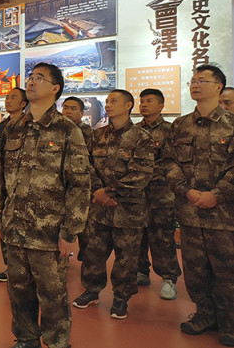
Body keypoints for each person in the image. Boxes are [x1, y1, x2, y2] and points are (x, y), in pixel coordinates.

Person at [0, 64, 91, 348]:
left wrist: (69, 232)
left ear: (55, 89)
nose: (32, 82)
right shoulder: (13, 128)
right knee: (18, 292)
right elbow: (0, 175)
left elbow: (79, 184)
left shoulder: (67, 130)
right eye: (31, 78)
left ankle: (58, 342)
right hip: (14, 227)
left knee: (52, 296)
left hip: (48, 232)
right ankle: (26, 339)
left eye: (39, 78)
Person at [164, 65, 234, 346]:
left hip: (224, 215)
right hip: (190, 211)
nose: (194, 84)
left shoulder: (231, 124)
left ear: (218, 86)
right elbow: (168, 162)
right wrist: (187, 191)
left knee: (227, 270)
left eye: (201, 80)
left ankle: (229, 321)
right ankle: (205, 314)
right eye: (192, 81)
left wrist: (217, 194)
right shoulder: (180, 125)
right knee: (195, 269)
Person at [74, 89, 154, 320]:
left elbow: (141, 174)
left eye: (114, 101)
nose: (108, 104)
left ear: (128, 105)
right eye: (107, 101)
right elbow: (85, 165)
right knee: (93, 252)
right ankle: (91, 290)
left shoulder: (141, 137)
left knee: (126, 257)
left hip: (128, 209)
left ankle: (121, 297)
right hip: (99, 208)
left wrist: (107, 192)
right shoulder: (97, 135)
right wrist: (97, 192)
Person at [135, 88, 181, 300]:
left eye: (149, 101)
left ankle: (169, 278)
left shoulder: (171, 130)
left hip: (161, 195)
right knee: (138, 236)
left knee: (163, 238)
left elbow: (172, 162)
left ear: (161, 106)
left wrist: (142, 174)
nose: (144, 105)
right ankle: (141, 271)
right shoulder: (134, 131)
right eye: (142, 101)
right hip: (137, 195)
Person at [0, 87, 28, 283]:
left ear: (23, 103)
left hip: (20, 184)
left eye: (13, 97)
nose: (8, 100)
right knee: (3, 224)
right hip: (1, 181)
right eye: (7, 97)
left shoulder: (28, 125)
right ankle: (10, 266)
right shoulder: (2, 126)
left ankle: (24, 268)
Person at [61, 96, 93, 262]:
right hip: (61, 187)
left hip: (82, 187)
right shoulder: (58, 131)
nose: (68, 111)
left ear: (82, 113)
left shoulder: (89, 133)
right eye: (65, 107)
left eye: (73, 108)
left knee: (86, 230)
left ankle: (86, 261)